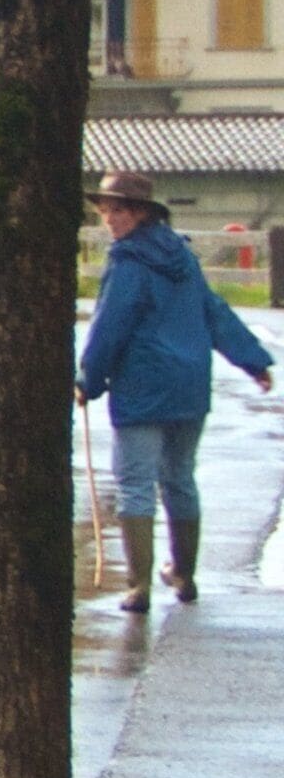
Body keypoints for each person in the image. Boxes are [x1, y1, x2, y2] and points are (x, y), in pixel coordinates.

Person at [79, 169, 271, 610]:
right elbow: (214, 313)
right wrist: (252, 359)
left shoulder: (127, 263)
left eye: (120, 209)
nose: (111, 218)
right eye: (107, 209)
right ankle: (183, 576)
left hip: (144, 387)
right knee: (180, 478)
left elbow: (110, 328)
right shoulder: (182, 259)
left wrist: (88, 380)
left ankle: (139, 586)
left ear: (142, 213)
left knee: (136, 485)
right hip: (189, 387)